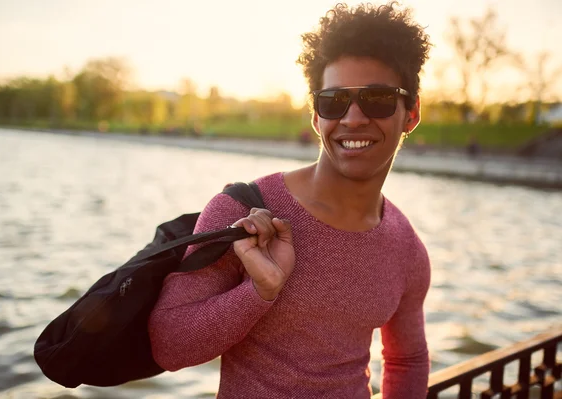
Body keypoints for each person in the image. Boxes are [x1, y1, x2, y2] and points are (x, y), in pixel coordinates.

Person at [148, 2, 432, 398]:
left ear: (412, 113)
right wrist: (259, 291)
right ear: (316, 117)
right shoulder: (244, 213)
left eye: (378, 98)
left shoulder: (407, 248)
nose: (352, 118)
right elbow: (170, 345)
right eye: (333, 100)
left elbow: (407, 359)